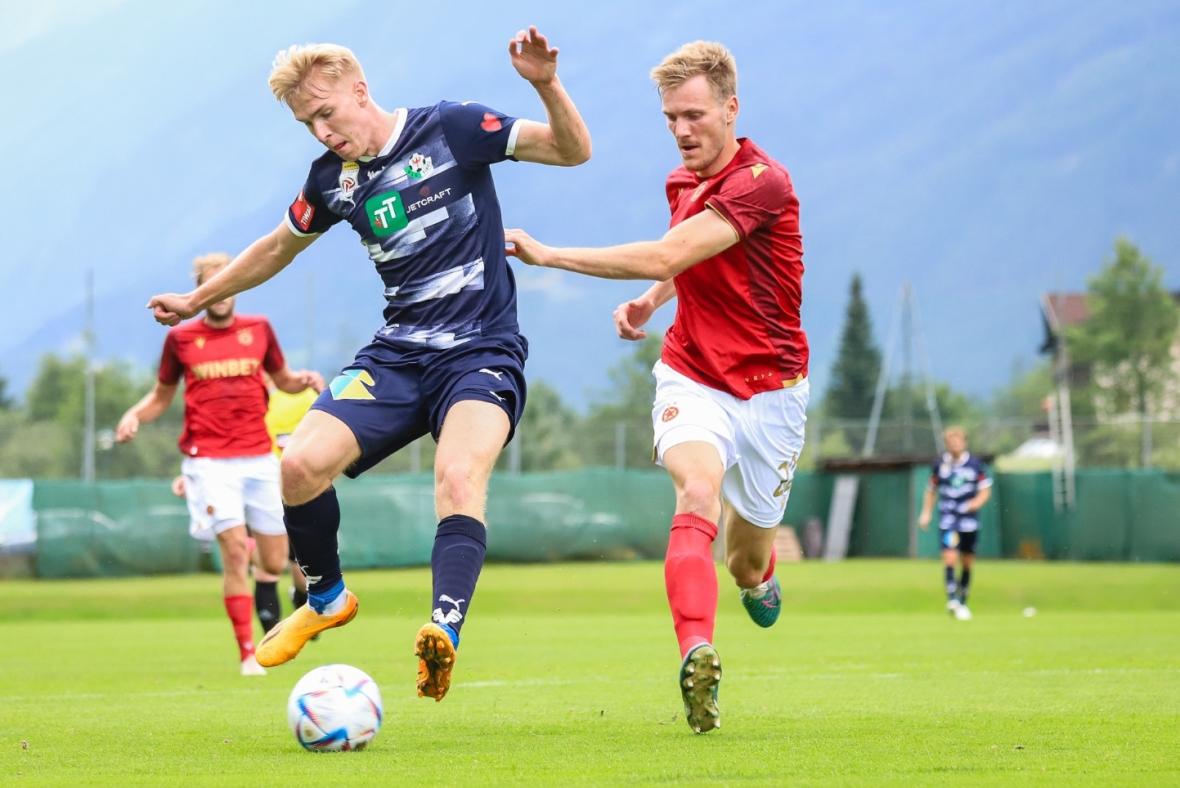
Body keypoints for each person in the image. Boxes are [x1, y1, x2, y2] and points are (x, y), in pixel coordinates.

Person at [145, 27, 591, 702]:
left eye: (326, 112)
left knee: (459, 475)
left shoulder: (455, 128)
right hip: (398, 354)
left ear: (360, 90)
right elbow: (275, 247)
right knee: (296, 465)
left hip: (480, 352)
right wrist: (198, 298)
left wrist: (544, 83)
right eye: (306, 123)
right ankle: (325, 598)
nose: (321, 131)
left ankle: (443, 628)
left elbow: (572, 151)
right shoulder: (335, 182)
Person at [505, 41, 807, 734]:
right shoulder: (683, 182)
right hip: (692, 373)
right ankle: (697, 654)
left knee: (746, 558)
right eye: (671, 116)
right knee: (696, 490)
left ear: (732, 108)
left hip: (772, 393)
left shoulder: (764, 181)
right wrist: (651, 302)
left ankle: (757, 581)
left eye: (695, 114)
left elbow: (676, 249)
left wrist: (552, 254)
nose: (681, 130)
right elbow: (687, 262)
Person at [117, 253, 324, 676]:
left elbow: (282, 380)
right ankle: (247, 652)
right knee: (233, 552)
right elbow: (160, 397)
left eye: (226, 284)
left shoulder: (259, 330)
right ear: (201, 291)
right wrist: (134, 414)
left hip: (259, 457)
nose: (220, 293)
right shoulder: (180, 340)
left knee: (273, 559)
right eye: (210, 285)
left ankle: (292, 603)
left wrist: (303, 381)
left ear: (235, 287)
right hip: (209, 462)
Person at [918, 426, 992, 621]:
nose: (954, 445)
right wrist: (926, 513)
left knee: (967, 562)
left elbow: (985, 490)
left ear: (964, 443)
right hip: (949, 520)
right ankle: (952, 599)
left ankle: (963, 601)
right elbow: (931, 490)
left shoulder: (975, 465)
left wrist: (975, 503)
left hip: (969, 522)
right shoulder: (940, 465)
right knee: (949, 557)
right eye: (950, 442)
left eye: (957, 441)